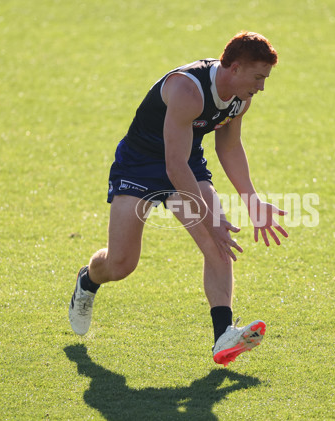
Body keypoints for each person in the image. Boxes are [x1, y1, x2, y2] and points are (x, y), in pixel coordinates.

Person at [69, 31, 288, 366]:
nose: (261, 87)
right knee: (121, 264)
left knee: (218, 245)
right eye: (258, 77)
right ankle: (88, 280)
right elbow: (172, 167)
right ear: (234, 68)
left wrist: (252, 200)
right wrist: (209, 220)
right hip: (141, 165)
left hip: (186, 160)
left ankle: (222, 337)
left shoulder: (240, 97)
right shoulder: (188, 89)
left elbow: (227, 146)